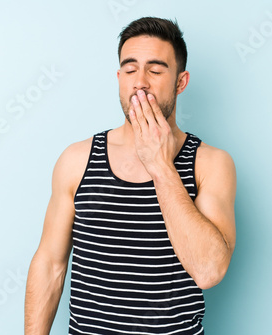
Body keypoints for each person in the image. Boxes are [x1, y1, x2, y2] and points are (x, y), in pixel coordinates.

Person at [24, 17, 236, 335]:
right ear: (119, 76)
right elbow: (50, 265)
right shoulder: (77, 159)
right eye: (130, 68)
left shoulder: (210, 164)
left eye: (155, 69)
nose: (140, 82)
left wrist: (162, 166)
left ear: (181, 81)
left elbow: (207, 271)